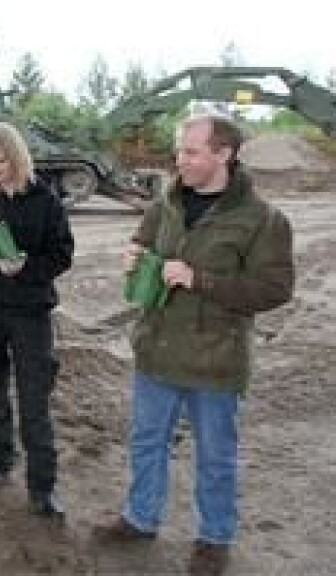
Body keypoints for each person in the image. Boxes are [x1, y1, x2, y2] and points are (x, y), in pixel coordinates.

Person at [91, 115, 294, 576]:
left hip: (215, 360)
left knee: (215, 455)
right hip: (157, 349)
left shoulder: (262, 220)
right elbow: (143, 239)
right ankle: (140, 519)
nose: (180, 160)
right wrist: (134, 254)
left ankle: (214, 538)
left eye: (192, 152)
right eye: (180, 151)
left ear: (224, 155)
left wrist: (198, 279)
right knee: (147, 442)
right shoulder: (165, 204)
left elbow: (274, 290)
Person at [0, 122, 74, 518]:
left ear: (16, 156)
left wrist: (26, 266)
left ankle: (42, 488)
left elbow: (62, 255)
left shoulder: (45, 200)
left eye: (1, 160)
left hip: (30, 312)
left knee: (34, 401)